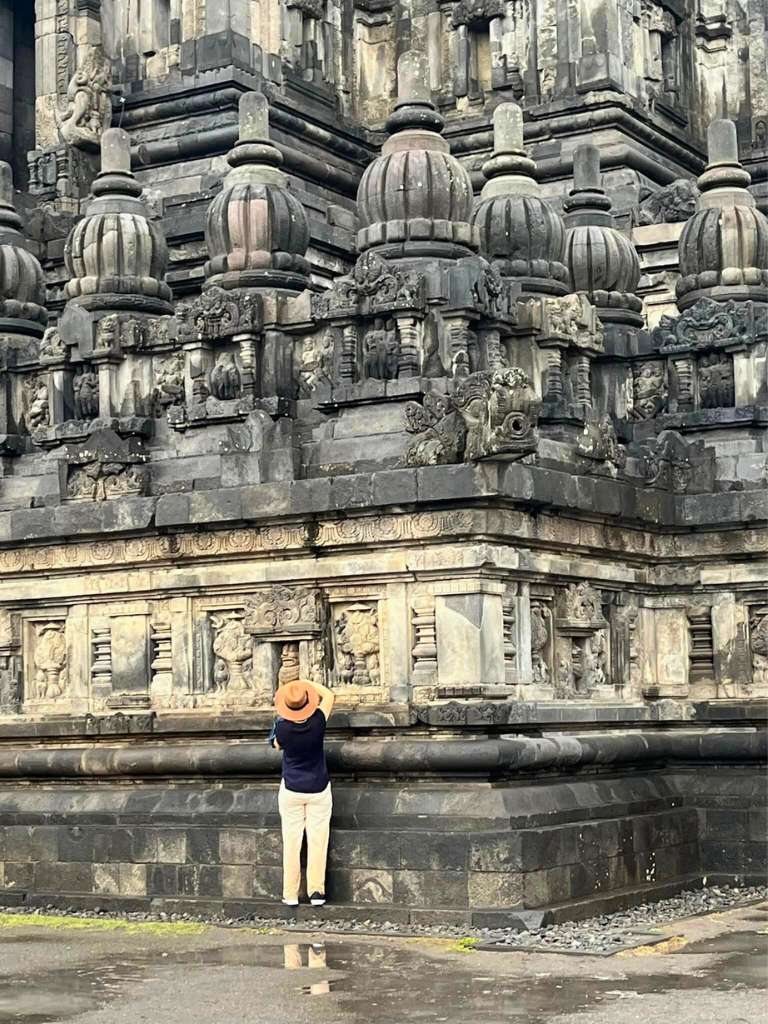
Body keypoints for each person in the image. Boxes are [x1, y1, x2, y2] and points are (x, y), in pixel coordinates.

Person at [271, 680, 335, 907]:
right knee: (319, 840)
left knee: (291, 841)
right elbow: (329, 696)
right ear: (307, 702)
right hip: (318, 787)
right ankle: (316, 892)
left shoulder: (283, 728)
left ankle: (290, 894)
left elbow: (276, 745)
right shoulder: (318, 721)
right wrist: (306, 683)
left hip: (291, 788)